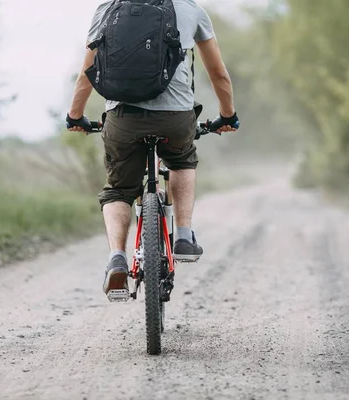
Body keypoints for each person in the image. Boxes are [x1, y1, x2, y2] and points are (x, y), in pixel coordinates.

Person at [66, 0, 239, 299]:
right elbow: (218, 73)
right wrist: (227, 115)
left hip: (123, 119)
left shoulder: (107, 8)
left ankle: (116, 258)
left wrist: (74, 116)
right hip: (176, 118)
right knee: (181, 160)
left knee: (119, 189)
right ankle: (183, 235)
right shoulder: (190, 9)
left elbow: (86, 73)